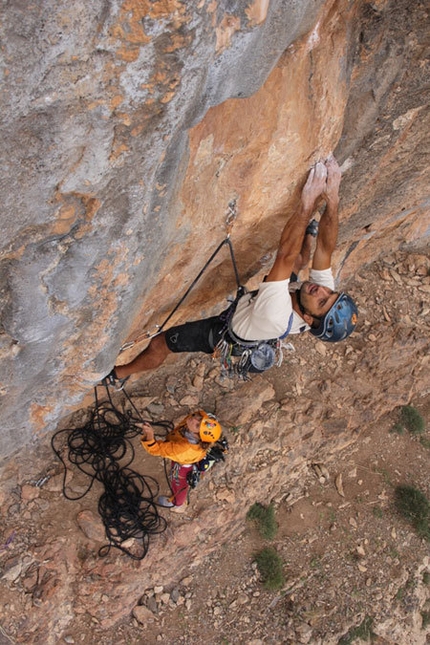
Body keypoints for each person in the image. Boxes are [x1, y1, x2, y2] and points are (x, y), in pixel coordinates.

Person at [104, 155, 358, 389]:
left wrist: (306, 205)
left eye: (323, 300)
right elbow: (326, 248)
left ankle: (119, 374)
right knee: (300, 264)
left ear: (310, 319)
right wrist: (332, 199)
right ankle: (307, 237)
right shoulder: (318, 297)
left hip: (226, 332)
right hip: (267, 304)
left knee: (161, 343)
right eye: (330, 292)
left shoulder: (276, 316)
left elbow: (283, 255)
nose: (322, 289)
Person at [138, 410, 223, 513]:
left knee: (179, 484)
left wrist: (150, 436)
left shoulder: (184, 449)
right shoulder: (194, 429)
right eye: (199, 418)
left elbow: (155, 449)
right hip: (188, 458)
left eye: (197, 425)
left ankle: (176, 502)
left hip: (183, 466)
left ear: (198, 435)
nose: (194, 419)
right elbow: (198, 414)